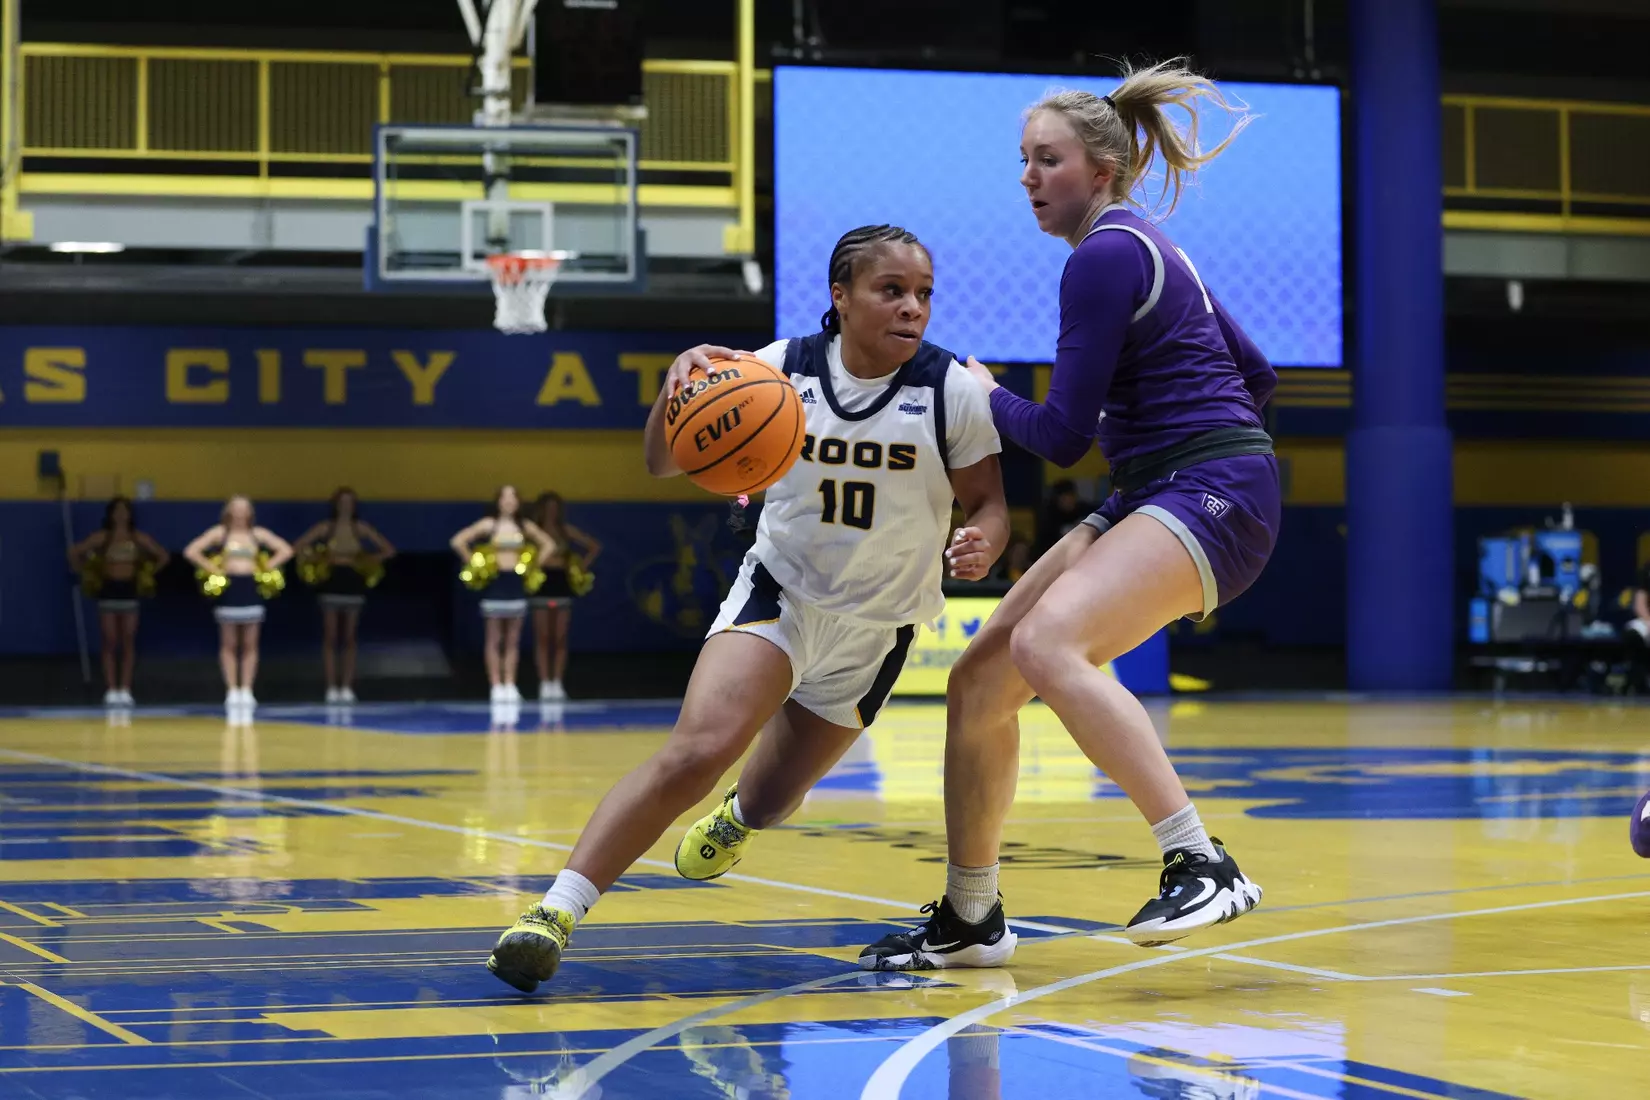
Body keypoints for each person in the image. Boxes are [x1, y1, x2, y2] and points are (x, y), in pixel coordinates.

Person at [486, 223, 1009, 994]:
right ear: (841, 294)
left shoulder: (951, 391)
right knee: (698, 748)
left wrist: (984, 542)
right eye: (891, 290)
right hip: (782, 594)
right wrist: (678, 380)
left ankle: (738, 818)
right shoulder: (774, 369)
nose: (913, 308)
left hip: (877, 628)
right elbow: (664, 461)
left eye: (923, 294)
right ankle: (553, 914)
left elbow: (991, 504)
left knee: (769, 801)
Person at [859, 60, 1279, 971]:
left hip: (1207, 489)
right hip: (1168, 484)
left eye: (1046, 160)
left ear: (1102, 168)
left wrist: (980, 391)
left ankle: (1201, 860)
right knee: (979, 681)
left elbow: (1056, 437)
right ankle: (972, 917)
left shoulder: (1104, 256)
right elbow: (1258, 376)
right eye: (1022, 161)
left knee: (1049, 647)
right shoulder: (1153, 246)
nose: (1027, 178)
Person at [184, 496, 294, 709]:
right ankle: (232, 690)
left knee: (250, 643)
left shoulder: (257, 534)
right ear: (229, 511)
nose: (240, 512)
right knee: (229, 643)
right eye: (236, 508)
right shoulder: (220, 533)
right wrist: (214, 570)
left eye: (245, 508)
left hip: (251, 588)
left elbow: (286, 549)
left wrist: (266, 567)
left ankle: (247, 689)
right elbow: (192, 551)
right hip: (229, 589)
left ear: (250, 512)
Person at [450, 486, 558, 703]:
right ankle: (496, 685)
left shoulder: (524, 526)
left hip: (515, 584)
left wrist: (533, 565)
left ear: (518, 502)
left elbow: (549, 545)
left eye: (513, 497)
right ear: (498, 501)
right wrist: (475, 563)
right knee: (494, 638)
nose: (509, 501)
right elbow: (458, 541)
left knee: (513, 640)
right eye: (504, 497)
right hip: (495, 584)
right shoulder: (489, 525)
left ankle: (510, 683)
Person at [294, 487, 397, 703]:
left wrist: (365, 560)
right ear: (335, 504)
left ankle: (347, 687)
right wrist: (320, 558)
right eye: (342, 502)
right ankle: (331, 687)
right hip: (331, 582)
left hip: (353, 583)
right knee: (331, 636)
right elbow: (298, 547)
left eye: (350, 502)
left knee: (350, 636)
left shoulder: (360, 528)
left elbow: (388, 550)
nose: (346, 506)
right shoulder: (326, 528)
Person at [69, 496, 170, 706]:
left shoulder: (137, 538)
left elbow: (162, 556)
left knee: (128, 641)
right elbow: (74, 552)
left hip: (130, 591)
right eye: (117, 510)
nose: (121, 514)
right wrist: (85, 572)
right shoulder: (103, 538)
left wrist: (147, 572)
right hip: (108, 591)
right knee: (110, 640)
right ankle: (111, 689)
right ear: (111, 514)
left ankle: (125, 689)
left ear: (130, 514)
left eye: (125, 510)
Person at [527, 491, 602, 701]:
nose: (551, 511)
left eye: (555, 507)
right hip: (541, 584)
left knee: (559, 637)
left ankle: (557, 683)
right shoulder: (534, 532)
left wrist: (579, 568)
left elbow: (594, 546)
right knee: (542, 637)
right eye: (547, 507)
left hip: (562, 583)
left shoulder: (564, 530)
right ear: (540, 509)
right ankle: (544, 683)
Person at [1036, 479, 1091, 557]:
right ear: (1057, 499)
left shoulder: (1082, 512)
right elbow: (1045, 548)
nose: (1069, 501)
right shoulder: (1049, 520)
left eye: (1072, 496)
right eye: (1065, 498)